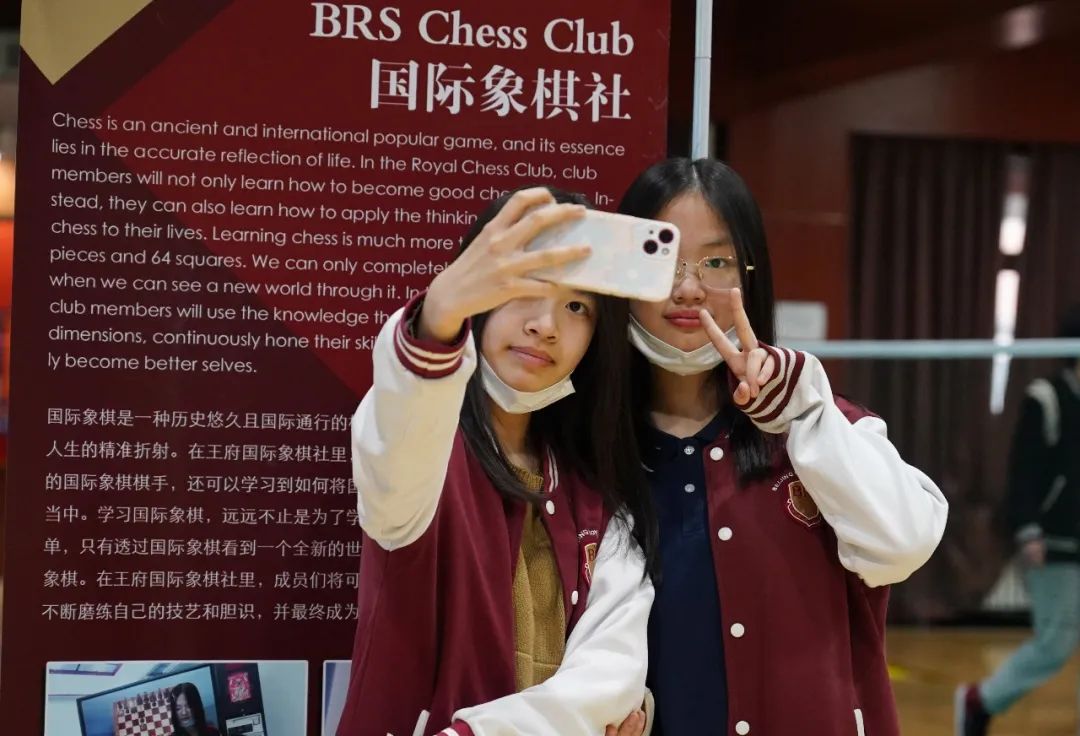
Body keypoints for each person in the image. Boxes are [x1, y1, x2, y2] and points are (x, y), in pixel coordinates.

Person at [616, 157, 948, 736]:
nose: (688, 288)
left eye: (716, 262)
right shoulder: (587, 449)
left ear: (751, 275)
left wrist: (801, 409)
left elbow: (905, 543)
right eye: (661, 257)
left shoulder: (825, 423)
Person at [336, 186, 657, 736]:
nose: (546, 325)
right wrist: (439, 316)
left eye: (577, 306)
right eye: (527, 287)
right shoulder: (425, 447)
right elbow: (399, 436)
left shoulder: (596, 498)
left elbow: (610, 679)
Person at [955, 304, 1080, 736]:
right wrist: (1028, 531)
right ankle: (979, 701)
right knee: (1054, 645)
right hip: (1053, 544)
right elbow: (1023, 471)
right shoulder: (1047, 399)